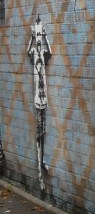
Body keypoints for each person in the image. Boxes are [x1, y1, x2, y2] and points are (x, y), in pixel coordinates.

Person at [26, 16, 51, 190]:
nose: (40, 39)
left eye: (40, 35)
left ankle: (42, 162)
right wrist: (32, 37)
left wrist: (45, 35)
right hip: (37, 98)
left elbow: (51, 51)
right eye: (38, 36)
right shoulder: (35, 52)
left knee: (44, 132)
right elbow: (28, 50)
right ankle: (39, 173)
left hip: (44, 98)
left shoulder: (42, 53)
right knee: (38, 134)